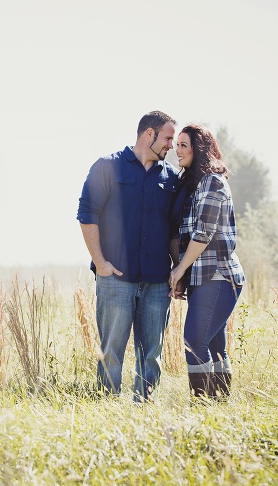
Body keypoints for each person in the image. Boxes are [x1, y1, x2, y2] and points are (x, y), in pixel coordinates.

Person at [77, 111, 180, 402]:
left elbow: (174, 231)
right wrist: (100, 263)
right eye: (168, 138)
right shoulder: (108, 167)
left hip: (158, 282)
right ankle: (108, 409)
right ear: (149, 134)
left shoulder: (171, 178)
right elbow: (87, 215)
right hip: (116, 278)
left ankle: (144, 409)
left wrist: (176, 273)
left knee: (151, 356)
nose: (171, 145)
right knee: (111, 352)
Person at [168, 124, 246, 400]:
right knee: (213, 345)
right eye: (176, 145)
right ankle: (219, 406)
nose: (177, 150)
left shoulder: (213, 181)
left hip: (220, 275)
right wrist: (183, 273)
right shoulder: (194, 186)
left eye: (183, 145)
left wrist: (179, 270)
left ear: (198, 149)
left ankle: (203, 405)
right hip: (203, 278)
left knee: (194, 341)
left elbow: (204, 233)